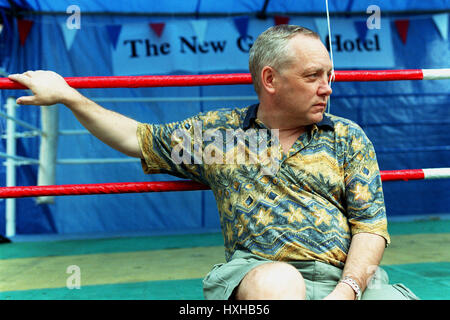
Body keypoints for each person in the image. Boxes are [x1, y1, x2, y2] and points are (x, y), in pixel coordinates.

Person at [8, 25, 418, 300]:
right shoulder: (220, 136)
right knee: (279, 283)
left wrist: (346, 290)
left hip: (347, 282)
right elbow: (137, 137)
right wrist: (68, 95)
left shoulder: (347, 137)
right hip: (261, 277)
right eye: (313, 76)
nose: (327, 88)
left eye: (330, 75)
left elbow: (370, 226)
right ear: (270, 80)